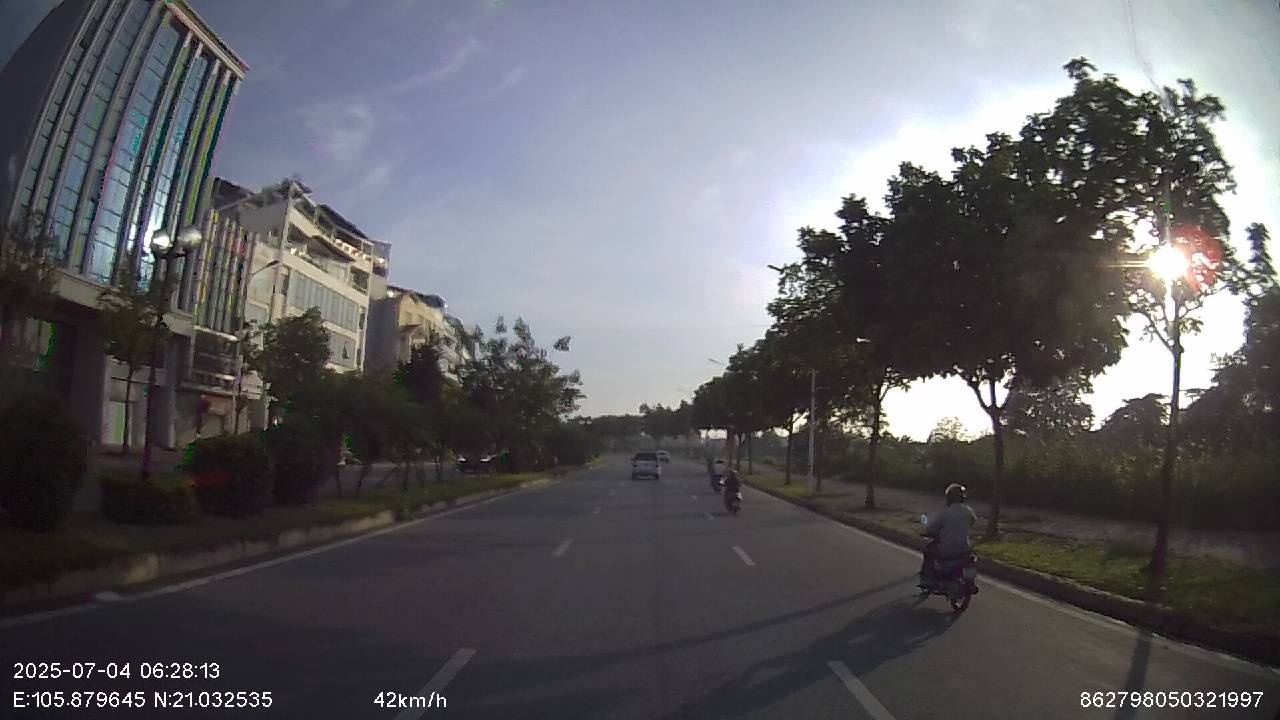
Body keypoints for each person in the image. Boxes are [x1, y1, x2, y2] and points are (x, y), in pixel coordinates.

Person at [920, 483, 977, 587]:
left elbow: (931, 529)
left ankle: (928, 579)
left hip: (947, 549)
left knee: (928, 551)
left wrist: (929, 532)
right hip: (964, 548)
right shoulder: (968, 512)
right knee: (971, 559)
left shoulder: (944, 513)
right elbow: (973, 521)